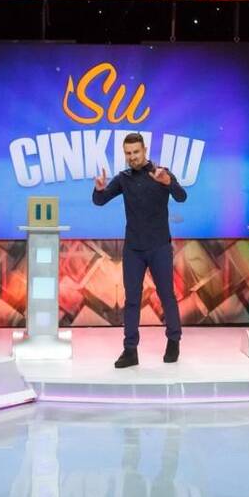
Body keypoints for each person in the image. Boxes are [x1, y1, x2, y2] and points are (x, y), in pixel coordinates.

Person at [92, 132, 186, 368]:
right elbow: (100, 201)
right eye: (128, 153)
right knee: (132, 300)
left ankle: (173, 341)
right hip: (133, 248)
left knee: (167, 296)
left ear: (144, 150)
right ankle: (130, 350)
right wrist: (99, 189)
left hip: (159, 246)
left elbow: (182, 197)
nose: (132, 157)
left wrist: (168, 182)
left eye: (136, 152)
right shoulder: (123, 178)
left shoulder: (161, 173)